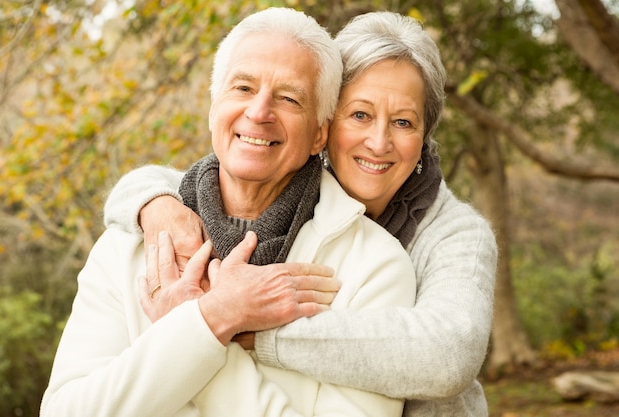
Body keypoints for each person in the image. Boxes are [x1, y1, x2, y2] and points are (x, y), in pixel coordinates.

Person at [104, 11, 498, 417]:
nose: (379, 142)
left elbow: (448, 356)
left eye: (403, 122)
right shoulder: (294, 189)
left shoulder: (456, 234)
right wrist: (155, 203)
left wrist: (241, 321)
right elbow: (190, 179)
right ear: (323, 127)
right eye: (360, 115)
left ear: (425, 137)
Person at [41, 7, 419, 417]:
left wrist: (200, 324)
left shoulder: (375, 266)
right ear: (213, 107)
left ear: (319, 134)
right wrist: (213, 316)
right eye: (242, 88)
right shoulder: (130, 242)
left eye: (289, 98)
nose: (258, 112)